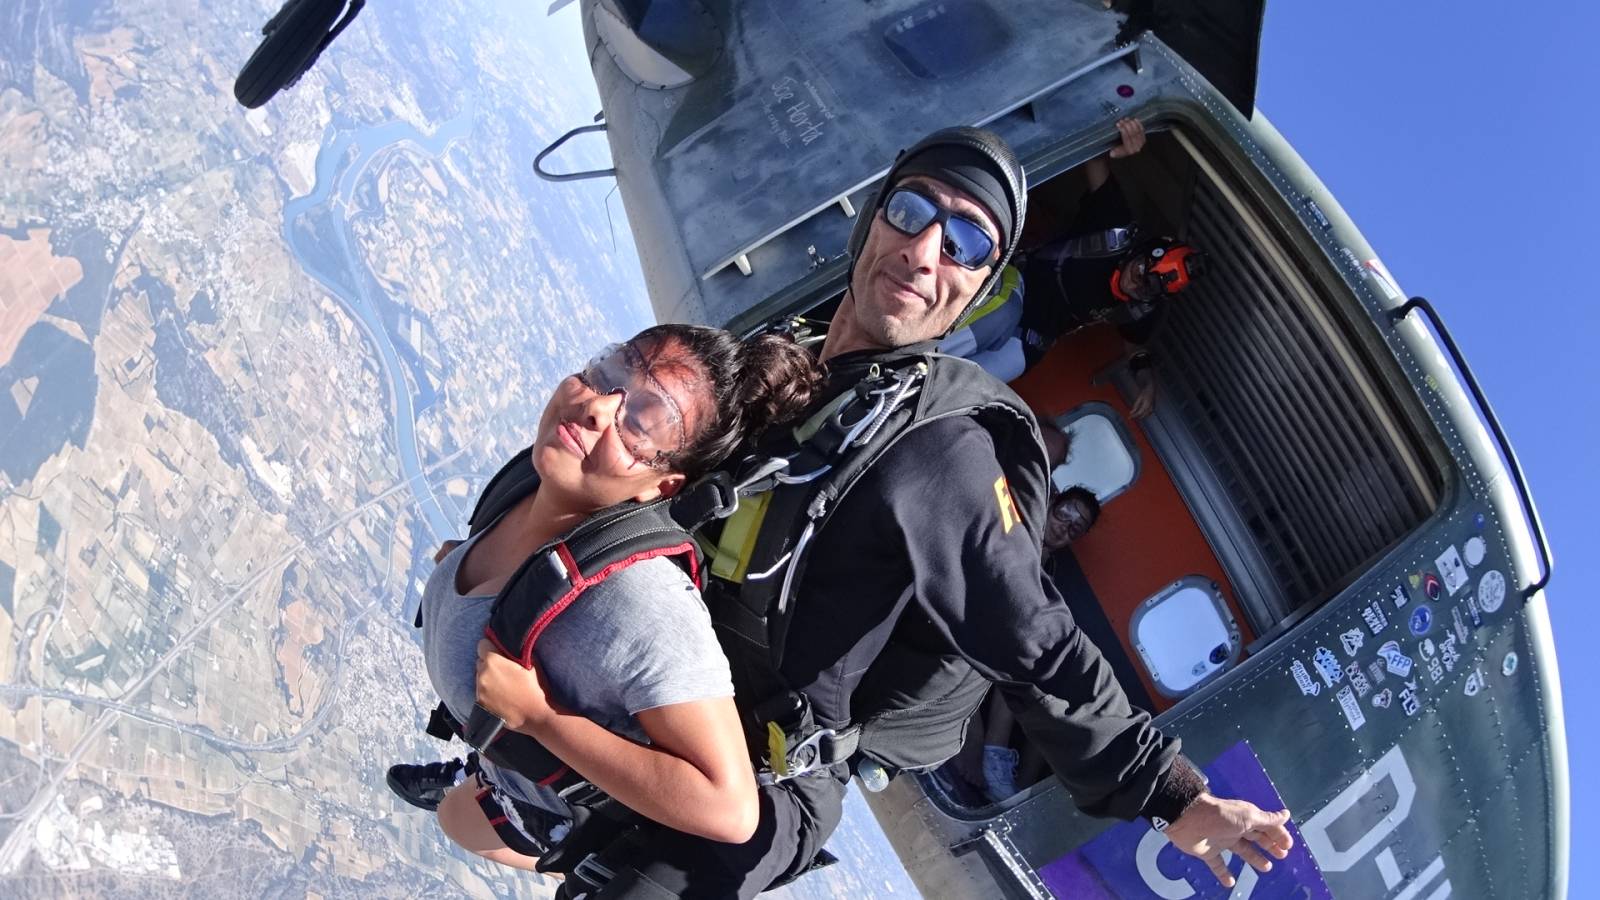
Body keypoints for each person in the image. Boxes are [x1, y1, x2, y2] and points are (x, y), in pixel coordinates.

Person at [538, 125, 1293, 898]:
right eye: (912, 210)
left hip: (758, 773)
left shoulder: (942, 452)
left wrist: (1172, 794)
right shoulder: (795, 365)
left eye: (966, 243)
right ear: (872, 221)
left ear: (980, 285)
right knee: (493, 793)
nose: (926, 250)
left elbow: (1035, 643)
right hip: (659, 683)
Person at [391, 324, 824, 873]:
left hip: (548, 807)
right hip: (503, 746)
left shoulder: (639, 600)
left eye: (642, 422)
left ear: (662, 486)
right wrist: (471, 564)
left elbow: (730, 811)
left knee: (456, 817)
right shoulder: (541, 475)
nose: (597, 407)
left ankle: (496, 794)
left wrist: (541, 717)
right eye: (610, 372)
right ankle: (484, 771)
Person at [1017, 117, 1205, 417]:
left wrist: (1147, 382)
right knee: (986, 324)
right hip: (1018, 284)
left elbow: (1134, 347)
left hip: (1037, 333)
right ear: (1142, 250)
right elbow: (1094, 161)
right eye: (1142, 269)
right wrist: (1120, 142)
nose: (1137, 282)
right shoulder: (1114, 226)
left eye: (1148, 287)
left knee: (1006, 365)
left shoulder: (1141, 308)